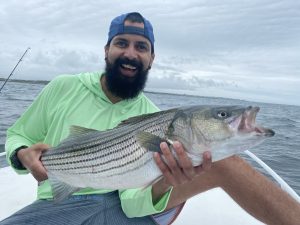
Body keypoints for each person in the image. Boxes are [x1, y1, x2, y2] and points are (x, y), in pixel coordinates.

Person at [2, 12, 300, 225]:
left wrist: (161, 185)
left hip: (120, 205)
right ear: (107, 50)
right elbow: (19, 135)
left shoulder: (152, 113)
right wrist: (20, 155)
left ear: (151, 58)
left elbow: (132, 202)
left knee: (227, 163)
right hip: (60, 200)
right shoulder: (63, 87)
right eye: (122, 43)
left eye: (141, 47)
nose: (130, 53)